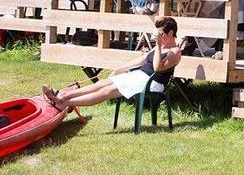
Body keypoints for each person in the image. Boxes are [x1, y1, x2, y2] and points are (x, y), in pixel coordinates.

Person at [43, 17, 183, 112]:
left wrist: (158, 46)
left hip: (152, 83)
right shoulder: (160, 47)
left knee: (106, 91)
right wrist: (120, 68)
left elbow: (158, 68)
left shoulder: (175, 52)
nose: (158, 37)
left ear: (171, 33)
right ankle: (62, 95)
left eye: (161, 34)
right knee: (101, 83)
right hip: (139, 76)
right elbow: (141, 60)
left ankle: (64, 102)